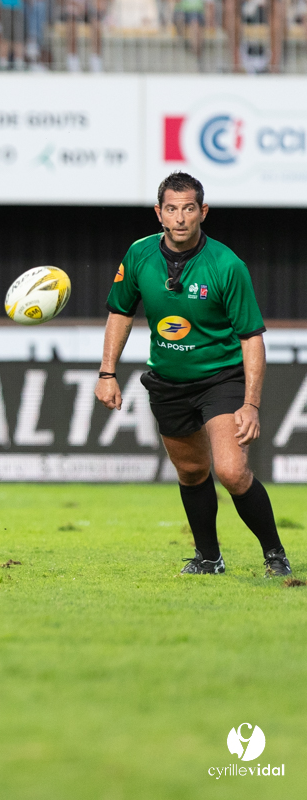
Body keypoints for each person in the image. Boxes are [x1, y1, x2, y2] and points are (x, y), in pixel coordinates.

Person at [95, 172, 292, 578]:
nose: (180, 217)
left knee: (232, 471)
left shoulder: (226, 265)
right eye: (171, 208)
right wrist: (107, 372)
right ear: (158, 213)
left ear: (203, 211)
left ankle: (275, 553)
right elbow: (120, 311)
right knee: (191, 470)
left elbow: (252, 338)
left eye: (188, 208)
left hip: (221, 380)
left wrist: (251, 404)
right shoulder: (138, 255)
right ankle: (208, 558)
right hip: (168, 382)